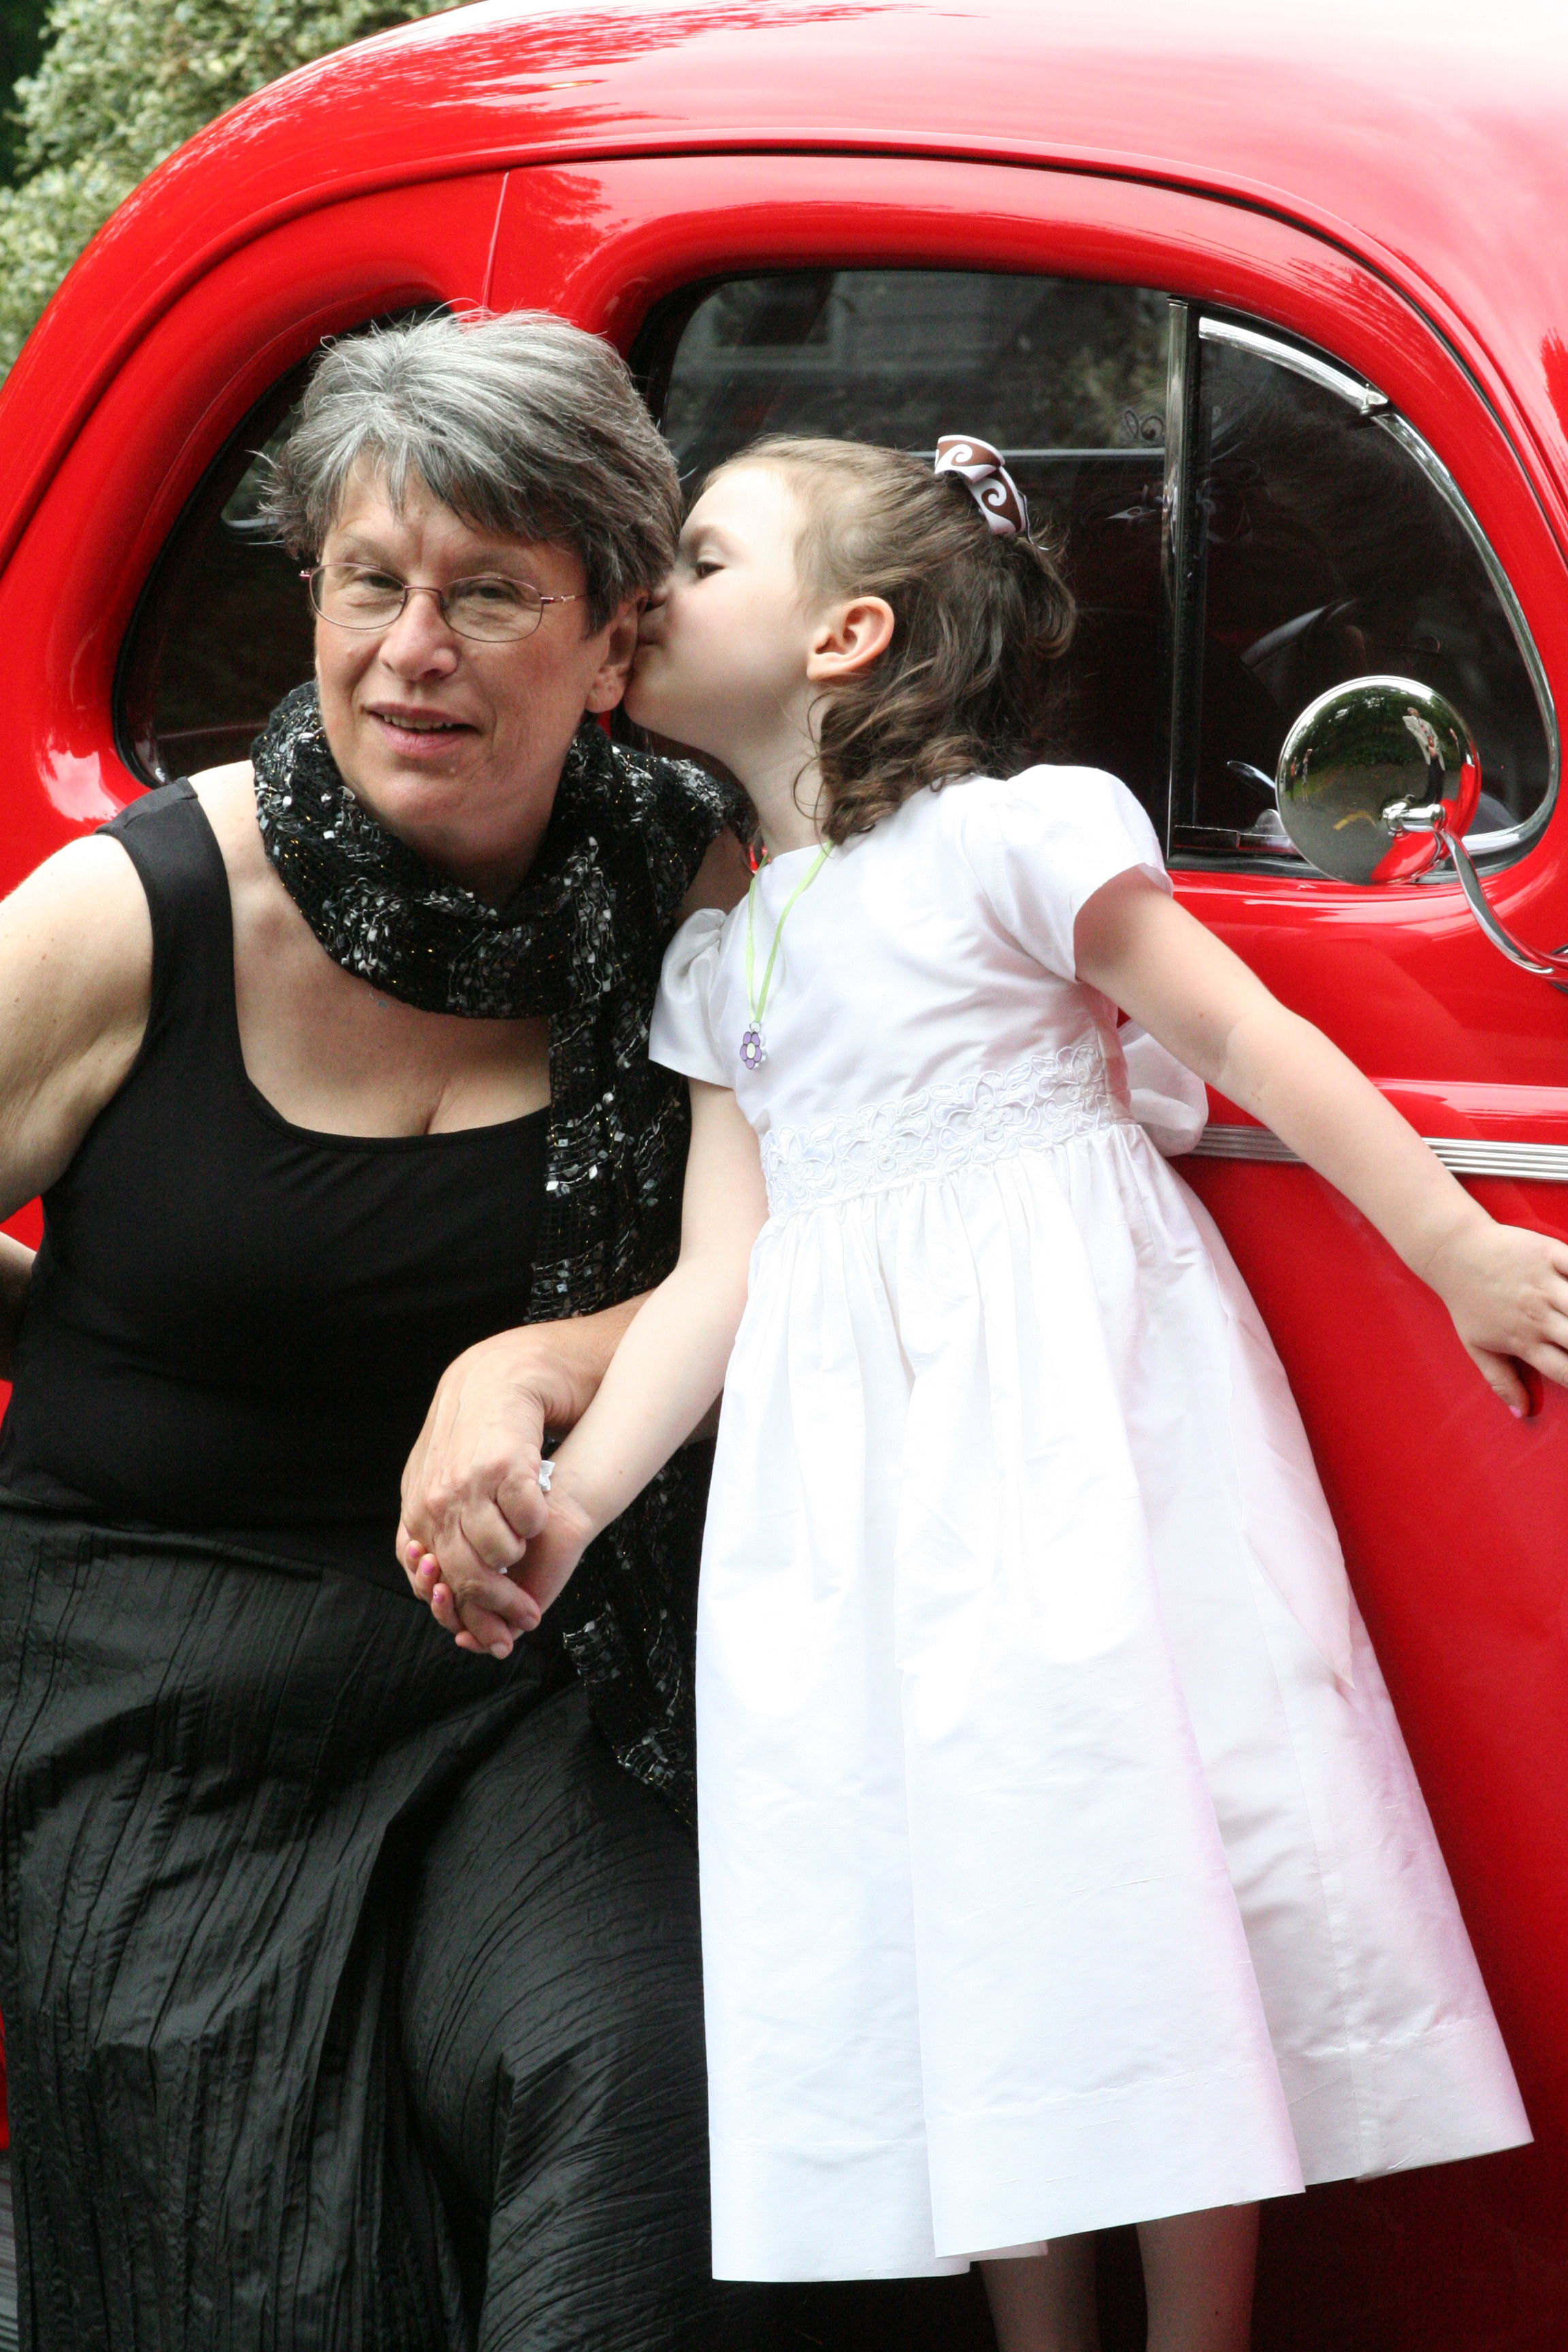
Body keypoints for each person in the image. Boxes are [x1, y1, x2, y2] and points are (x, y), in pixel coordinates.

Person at [409, 434, 1557, 2351]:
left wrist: (1451, 1246)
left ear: (846, 634)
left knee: (1127, 1866)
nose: (651, 589)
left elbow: (1243, 1029)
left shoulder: (1005, 844)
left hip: (1074, 1450)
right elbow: (722, 1275)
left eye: (703, 555)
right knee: (977, 1912)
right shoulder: (730, 955)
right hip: (867, 1515)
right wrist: (580, 1504)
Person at [0, 309, 763, 2351]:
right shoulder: (141, 908)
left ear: (615, 642)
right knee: (238, 2222)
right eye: (368, 583)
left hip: (527, 1662)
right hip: (162, 1682)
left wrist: (528, 1364)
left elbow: (802, 1263)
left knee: (646, 2086)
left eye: (490, 593)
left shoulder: (703, 893)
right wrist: (89, 1339)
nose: (411, 651)